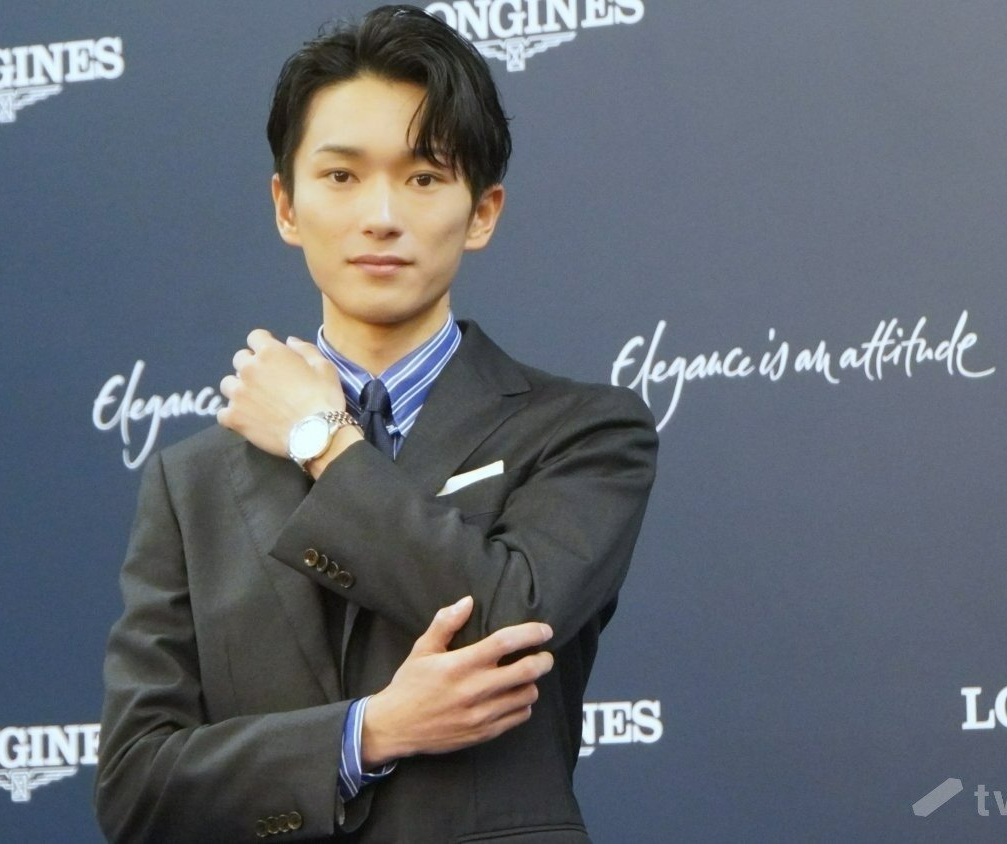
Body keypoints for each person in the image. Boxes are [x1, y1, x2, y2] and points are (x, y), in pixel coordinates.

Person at [95, 6, 657, 841]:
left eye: (424, 177)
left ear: (483, 212)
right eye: (341, 176)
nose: (381, 215)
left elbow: (512, 619)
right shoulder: (194, 481)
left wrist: (323, 439)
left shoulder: (586, 433)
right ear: (286, 206)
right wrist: (369, 733)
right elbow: (138, 788)